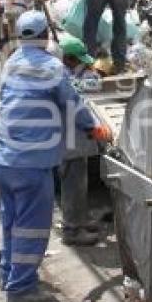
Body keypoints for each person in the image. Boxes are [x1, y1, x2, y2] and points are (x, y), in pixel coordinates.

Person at [0, 11, 112, 302]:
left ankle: (9, 273)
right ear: (46, 36)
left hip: (3, 159)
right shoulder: (51, 67)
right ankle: (21, 289)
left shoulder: (10, 64)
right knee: (32, 226)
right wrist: (94, 128)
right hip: (31, 163)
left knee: (11, 221)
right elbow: (73, 104)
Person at [57, 36, 102, 246]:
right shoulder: (61, 78)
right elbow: (75, 103)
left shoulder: (76, 74)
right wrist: (92, 128)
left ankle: (80, 219)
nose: (82, 64)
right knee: (72, 184)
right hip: (69, 141)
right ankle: (72, 229)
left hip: (76, 141)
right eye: (78, 61)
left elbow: (94, 84)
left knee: (79, 182)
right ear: (68, 59)